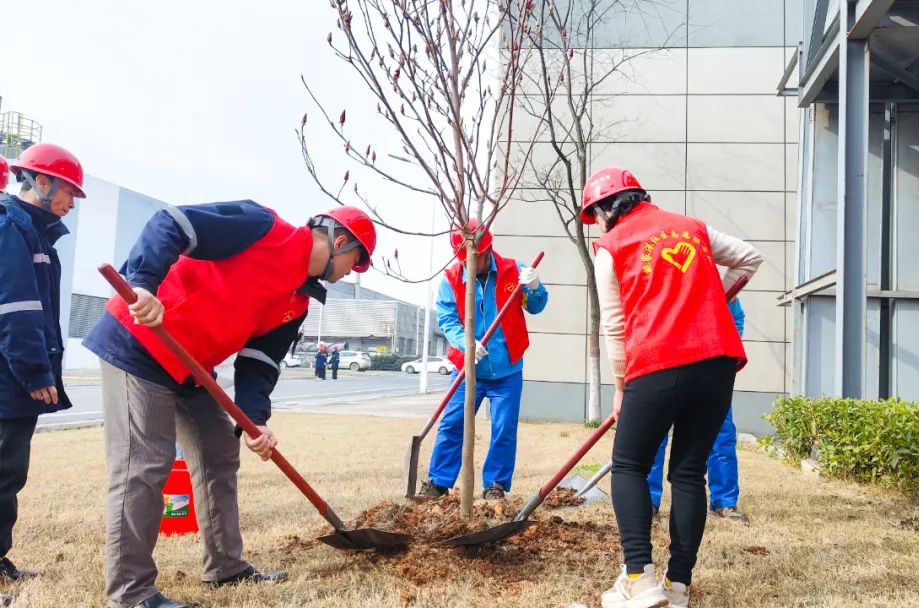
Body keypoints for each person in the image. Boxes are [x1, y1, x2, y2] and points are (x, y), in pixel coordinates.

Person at [82, 203, 376, 608]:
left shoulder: (298, 301)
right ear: (339, 241)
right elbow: (173, 223)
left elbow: (260, 362)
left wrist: (255, 420)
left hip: (191, 367)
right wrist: (144, 282)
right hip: (141, 343)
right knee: (145, 465)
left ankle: (225, 567)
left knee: (220, 453)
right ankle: (131, 593)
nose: (349, 273)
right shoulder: (263, 227)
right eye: (353, 262)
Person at [583, 167, 762, 608]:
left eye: (595, 215)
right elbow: (749, 257)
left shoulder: (612, 246)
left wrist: (621, 386)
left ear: (609, 208)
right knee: (687, 472)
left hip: (658, 363)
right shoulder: (693, 229)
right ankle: (679, 586)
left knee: (627, 465)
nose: (597, 224)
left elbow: (615, 323)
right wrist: (713, 297)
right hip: (717, 362)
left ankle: (640, 580)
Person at [0, 144, 86, 605]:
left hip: (12, 375)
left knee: (7, 472)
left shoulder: (30, 232)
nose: (71, 202)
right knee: (3, 472)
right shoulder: (11, 228)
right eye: (69, 192)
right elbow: (15, 309)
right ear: (39, 181)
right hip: (8, 378)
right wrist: (35, 373)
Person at [419, 219, 548, 500]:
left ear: (488, 250)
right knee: (452, 423)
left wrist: (535, 287)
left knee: (503, 428)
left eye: (475, 258)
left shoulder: (514, 270)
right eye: (465, 259)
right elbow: (447, 317)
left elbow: (536, 306)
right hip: (467, 369)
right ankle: (438, 482)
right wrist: (466, 344)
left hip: (507, 370)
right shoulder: (452, 278)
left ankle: (495, 485)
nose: (470, 264)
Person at [648, 298, 748, 523]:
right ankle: (648, 501)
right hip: (666, 369)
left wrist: (721, 358)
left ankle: (724, 501)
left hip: (709, 374)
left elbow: (736, 322)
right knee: (653, 437)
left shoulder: (720, 290)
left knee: (722, 437)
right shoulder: (668, 282)